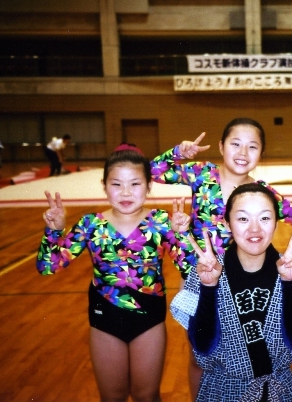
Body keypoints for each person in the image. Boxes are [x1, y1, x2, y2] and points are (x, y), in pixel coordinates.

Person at [150, 117, 292, 399]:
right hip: (201, 278)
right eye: (235, 144)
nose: (243, 152)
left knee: (246, 350)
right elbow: (153, 171)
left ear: (261, 153)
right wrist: (178, 152)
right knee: (201, 355)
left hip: (245, 281)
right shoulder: (202, 174)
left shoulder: (262, 191)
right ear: (221, 146)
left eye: (252, 146)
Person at [36, 143, 185, 402]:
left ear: (149, 186)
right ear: (104, 186)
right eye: (116, 184)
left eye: (135, 184)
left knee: (147, 395)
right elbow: (48, 266)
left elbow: (190, 266)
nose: (125, 192)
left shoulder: (161, 222)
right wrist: (54, 231)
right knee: (112, 397)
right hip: (104, 320)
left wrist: (181, 235)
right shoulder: (90, 224)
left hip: (149, 321)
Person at [171, 183, 292, 402]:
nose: (254, 229)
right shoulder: (206, 271)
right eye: (243, 219)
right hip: (222, 391)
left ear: (276, 222)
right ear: (227, 223)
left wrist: (289, 283)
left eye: (265, 218)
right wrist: (208, 287)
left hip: (279, 391)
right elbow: (203, 345)